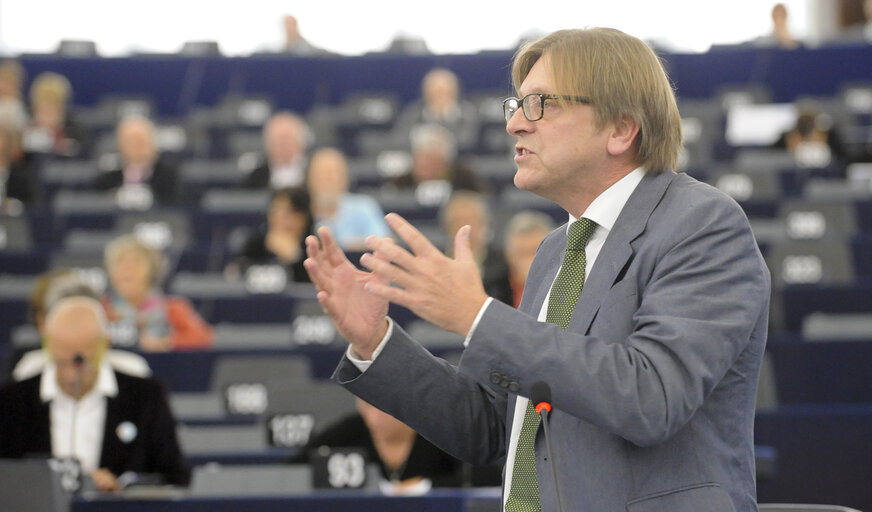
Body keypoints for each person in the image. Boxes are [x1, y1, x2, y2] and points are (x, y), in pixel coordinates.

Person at [305, 28, 770, 511]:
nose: (515, 125)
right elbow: (496, 429)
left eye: (540, 105)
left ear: (620, 128)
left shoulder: (702, 224)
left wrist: (476, 315)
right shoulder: (556, 252)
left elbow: (651, 397)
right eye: (517, 105)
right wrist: (374, 340)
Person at [0, 296, 190, 490]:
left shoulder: (145, 398)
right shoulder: (11, 401)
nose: (70, 376)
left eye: (81, 364)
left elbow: (175, 479)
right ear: (47, 345)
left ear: (104, 345)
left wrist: (123, 488)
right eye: (60, 362)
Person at [291, 398, 469, 493]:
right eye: (367, 406)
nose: (375, 417)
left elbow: (485, 474)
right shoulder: (350, 429)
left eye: (384, 408)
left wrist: (424, 486)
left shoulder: (436, 429)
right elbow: (289, 469)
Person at [103, 234, 214, 351]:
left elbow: (204, 337)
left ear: (152, 270)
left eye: (136, 262)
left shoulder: (172, 308)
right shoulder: (100, 310)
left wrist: (167, 342)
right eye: (120, 262)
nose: (127, 268)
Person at [307, 147, 389, 251]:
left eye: (333, 174)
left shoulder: (364, 207)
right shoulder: (299, 211)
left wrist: (349, 246)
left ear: (345, 179)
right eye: (321, 174)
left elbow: (384, 242)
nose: (328, 180)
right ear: (310, 179)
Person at [439, 191, 512, 306]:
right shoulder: (438, 261)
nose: (464, 227)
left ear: (484, 223)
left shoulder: (503, 263)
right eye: (457, 221)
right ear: (447, 226)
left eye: (470, 220)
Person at [230, 186, 314, 283]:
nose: (279, 220)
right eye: (275, 212)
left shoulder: (314, 249)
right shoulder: (255, 246)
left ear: (303, 218)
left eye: (288, 214)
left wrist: (294, 258)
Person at [388, 123, 485, 206]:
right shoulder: (401, 184)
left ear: (447, 163)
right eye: (423, 160)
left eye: (434, 162)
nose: (428, 167)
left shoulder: (465, 181)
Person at [94, 115, 179, 206]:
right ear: (120, 145)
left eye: (141, 142)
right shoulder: (108, 178)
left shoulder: (168, 176)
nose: (137, 147)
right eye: (131, 142)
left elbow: (174, 205)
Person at [392, 68, 480, 151]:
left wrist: (441, 140)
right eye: (436, 93)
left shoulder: (468, 113)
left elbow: (470, 141)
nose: (440, 98)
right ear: (426, 94)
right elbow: (401, 139)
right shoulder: (413, 113)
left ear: (455, 92)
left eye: (445, 92)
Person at [22, 71, 85, 157]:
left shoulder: (75, 130)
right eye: (44, 107)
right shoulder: (24, 129)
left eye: (53, 105)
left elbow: (82, 155)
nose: (48, 111)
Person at [501, 211, 554, 308]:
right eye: (521, 253)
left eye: (533, 252)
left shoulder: (565, 288)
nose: (528, 261)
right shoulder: (491, 290)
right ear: (508, 253)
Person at [243, 111, 309, 190]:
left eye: (288, 140)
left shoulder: (313, 173)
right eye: (279, 141)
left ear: (301, 143)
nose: (284, 146)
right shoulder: (256, 177)